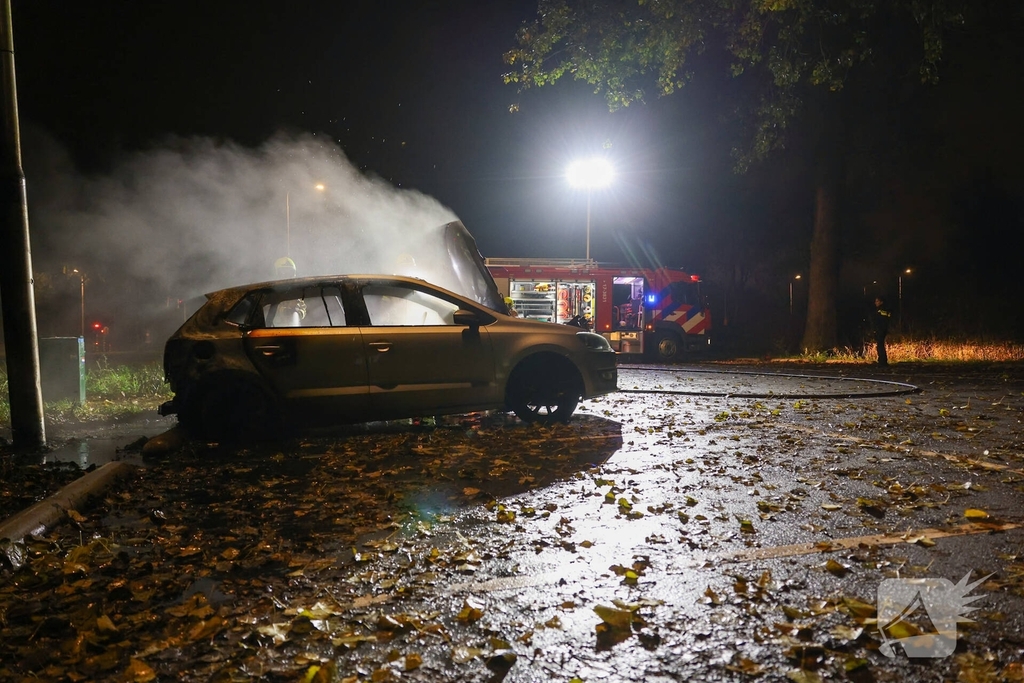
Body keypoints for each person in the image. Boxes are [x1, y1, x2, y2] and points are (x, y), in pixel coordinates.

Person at [872, 296, 892, 366]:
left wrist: (877, 329)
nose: (875, 303)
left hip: (881, 330)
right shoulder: (885, 309)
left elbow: (881, 321)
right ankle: (882, 361)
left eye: (877, 301)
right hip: (882, 329)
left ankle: (882, 361)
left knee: (880, 346)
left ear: (881, 302)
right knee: (880, 345)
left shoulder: (881, 310)